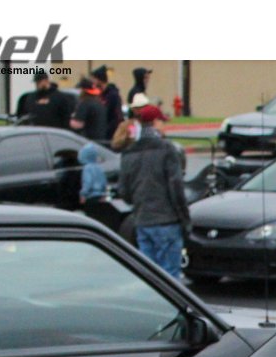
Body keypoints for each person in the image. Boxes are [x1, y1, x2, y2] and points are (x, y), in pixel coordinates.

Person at [119, 106, 191, 279]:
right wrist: (184, 218)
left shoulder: (129, 153)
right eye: (162, 122)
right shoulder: (167, 150)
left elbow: (124, 191)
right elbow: (176, 188)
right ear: (156, 122)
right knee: (170, 275)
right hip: (167, 220)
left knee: (149, 275)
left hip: (143, 220)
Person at [71, 77, 108, 143]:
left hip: (87, 142)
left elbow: (77, 125)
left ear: (83, 91)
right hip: (101, 141)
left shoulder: (85, 104)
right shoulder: (99, 104)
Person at [93, 66, 124, 132]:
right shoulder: (100, 95)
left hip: (110, 134)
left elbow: (117, 117)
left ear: (100, 79)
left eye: (94, 79)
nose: (93, 82)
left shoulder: (113, 96)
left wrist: (106, 129)